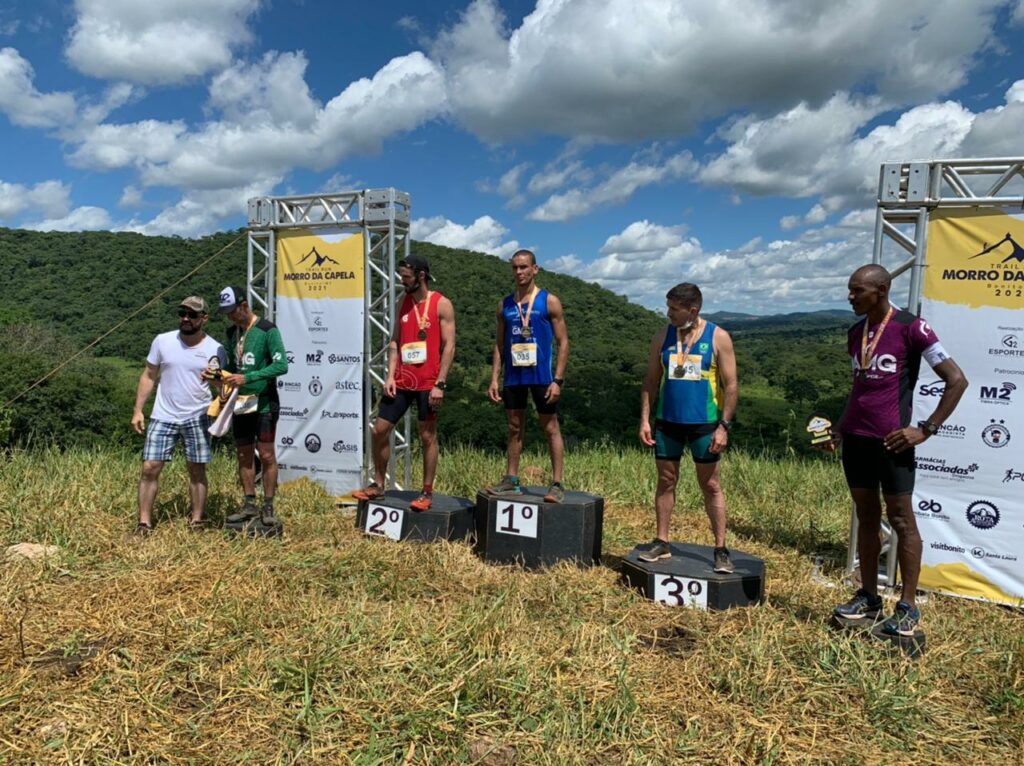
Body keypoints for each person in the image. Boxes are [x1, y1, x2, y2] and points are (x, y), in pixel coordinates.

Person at [823, 264, 967, 636]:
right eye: (850, 289)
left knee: (902, 521)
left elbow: (956, 380)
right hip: (856, 441)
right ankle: (869, 596)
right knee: (866, 517)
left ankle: (907, 606)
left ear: (882, 290)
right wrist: (840, 427)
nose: (850, 297)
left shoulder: (911, 327)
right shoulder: (856, 332)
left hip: (892, 442)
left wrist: (926, 429)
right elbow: (859, 388)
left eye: (858, 290)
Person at [638, 283, 738, 573]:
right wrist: (645, 419)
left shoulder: (718, 337)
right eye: (668, 307)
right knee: (666, 481)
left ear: (693, 310)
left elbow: (731, 385)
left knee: (711, 485)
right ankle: (662, 541)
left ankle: (720, 549)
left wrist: (724, 427)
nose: (668, 313)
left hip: (704, 424)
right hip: (667, 422)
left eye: (674, 309)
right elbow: (650, 380)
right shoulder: (662, 337)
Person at [352, 255, 456, 511]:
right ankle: (378, 484)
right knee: (379, 430)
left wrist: (440, 383)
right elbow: (395, 341)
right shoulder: (403, 302)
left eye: (406, 277)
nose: (402, 280)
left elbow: (449, 346)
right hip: (402, 380)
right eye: (401, 276)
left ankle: (427, 491)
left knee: (427, 435)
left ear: (421, 276)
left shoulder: (442, 304)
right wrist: (390, 375)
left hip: (428, 382)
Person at [131, 296, 226, 534]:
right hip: (163, 414)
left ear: (204, 318)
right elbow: (149, 375)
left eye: (192, 315)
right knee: (150, 467)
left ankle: (197, 520)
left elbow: (222, 387)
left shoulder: (215, 349)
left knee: (197, 469)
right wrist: (138, 410)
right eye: (182, 313)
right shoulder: (162, 341)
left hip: (198, 415)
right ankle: (144, 523)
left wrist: (218, 386)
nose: (185, 318)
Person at [485, 249, 569, 502]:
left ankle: (557, 484)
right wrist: (494, 378)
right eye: (515, 267)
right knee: (514, 427)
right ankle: (511, 480)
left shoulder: (549, 301)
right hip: (514, 377)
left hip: (542, 376)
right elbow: (499, 344)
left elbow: (563, 342)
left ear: (535, 269)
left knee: (550, 427)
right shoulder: (505, 305)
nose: (519, 272)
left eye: (524, 267)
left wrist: (558, 380)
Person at [218, 286, 289, 526]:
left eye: (233, 311)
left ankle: (268, 505)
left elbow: (282, 366)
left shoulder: (267, 330)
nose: (230, 317)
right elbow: (232, 367)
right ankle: (249, 504)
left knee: (266, 454)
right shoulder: (232, 333)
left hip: (265, 401)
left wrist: (248, 378)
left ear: (244, 305)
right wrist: (218, 376)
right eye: (226, 313)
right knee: (243, 454)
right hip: (241, 402)